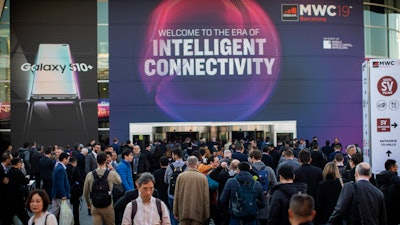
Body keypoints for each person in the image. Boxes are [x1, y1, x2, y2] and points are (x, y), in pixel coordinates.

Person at [83, 151, 122, 225]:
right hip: (108, 204)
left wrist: (88, 202)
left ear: (96, 161)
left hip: (95, 205)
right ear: (105, 161)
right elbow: (119, 181)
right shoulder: (111, 174)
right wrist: (112, 169)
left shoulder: (90, 175)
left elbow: (85, 192)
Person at [173, 156, 210, 225]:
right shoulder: (203, 178)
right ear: (197, 164)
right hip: (198, 213)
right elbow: (206, 198)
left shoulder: (181, 176)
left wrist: (175, 211)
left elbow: (176, 195)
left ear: (187, 163)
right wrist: (206, 214)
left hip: (183, 211)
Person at [249, 150, 277, 225]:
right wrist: (269, 193)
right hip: (265, 200)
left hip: (251, 202)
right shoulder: (269, 169)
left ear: (252, 158)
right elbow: (275, 184)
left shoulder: (249, 171)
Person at [4, 157, 30, 225]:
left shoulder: (9, 171)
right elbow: (25, 181)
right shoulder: (17, 171)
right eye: (20, 163)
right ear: (18, 163)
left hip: (10, 196)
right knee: (24, 216)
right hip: (17, 196)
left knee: (10, 216)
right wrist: (27, 178)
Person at [376, 159, 400, 225]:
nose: (397, 168)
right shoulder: (395, 178)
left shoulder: (379, 177)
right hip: (394, 208)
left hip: (382, 206)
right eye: (396, 166)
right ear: (392, 167)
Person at [50, 152, 71, 217]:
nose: (68, 161)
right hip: (61, 195)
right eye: (68, 159)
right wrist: (63, 195)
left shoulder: (58, 167)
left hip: (56, 194)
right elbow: (60, 184)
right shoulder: (60, 169)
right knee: (66, 213)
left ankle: (45, 221)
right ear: (64, 159)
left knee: (54, 211)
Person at [66, 156, 84, 225]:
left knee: (67, 206)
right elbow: (79, 179)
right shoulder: (75, 169)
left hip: (68, 189)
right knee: (75, 207)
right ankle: (76, 222)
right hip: (75, 190)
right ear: (75, 162)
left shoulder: (66, 168)